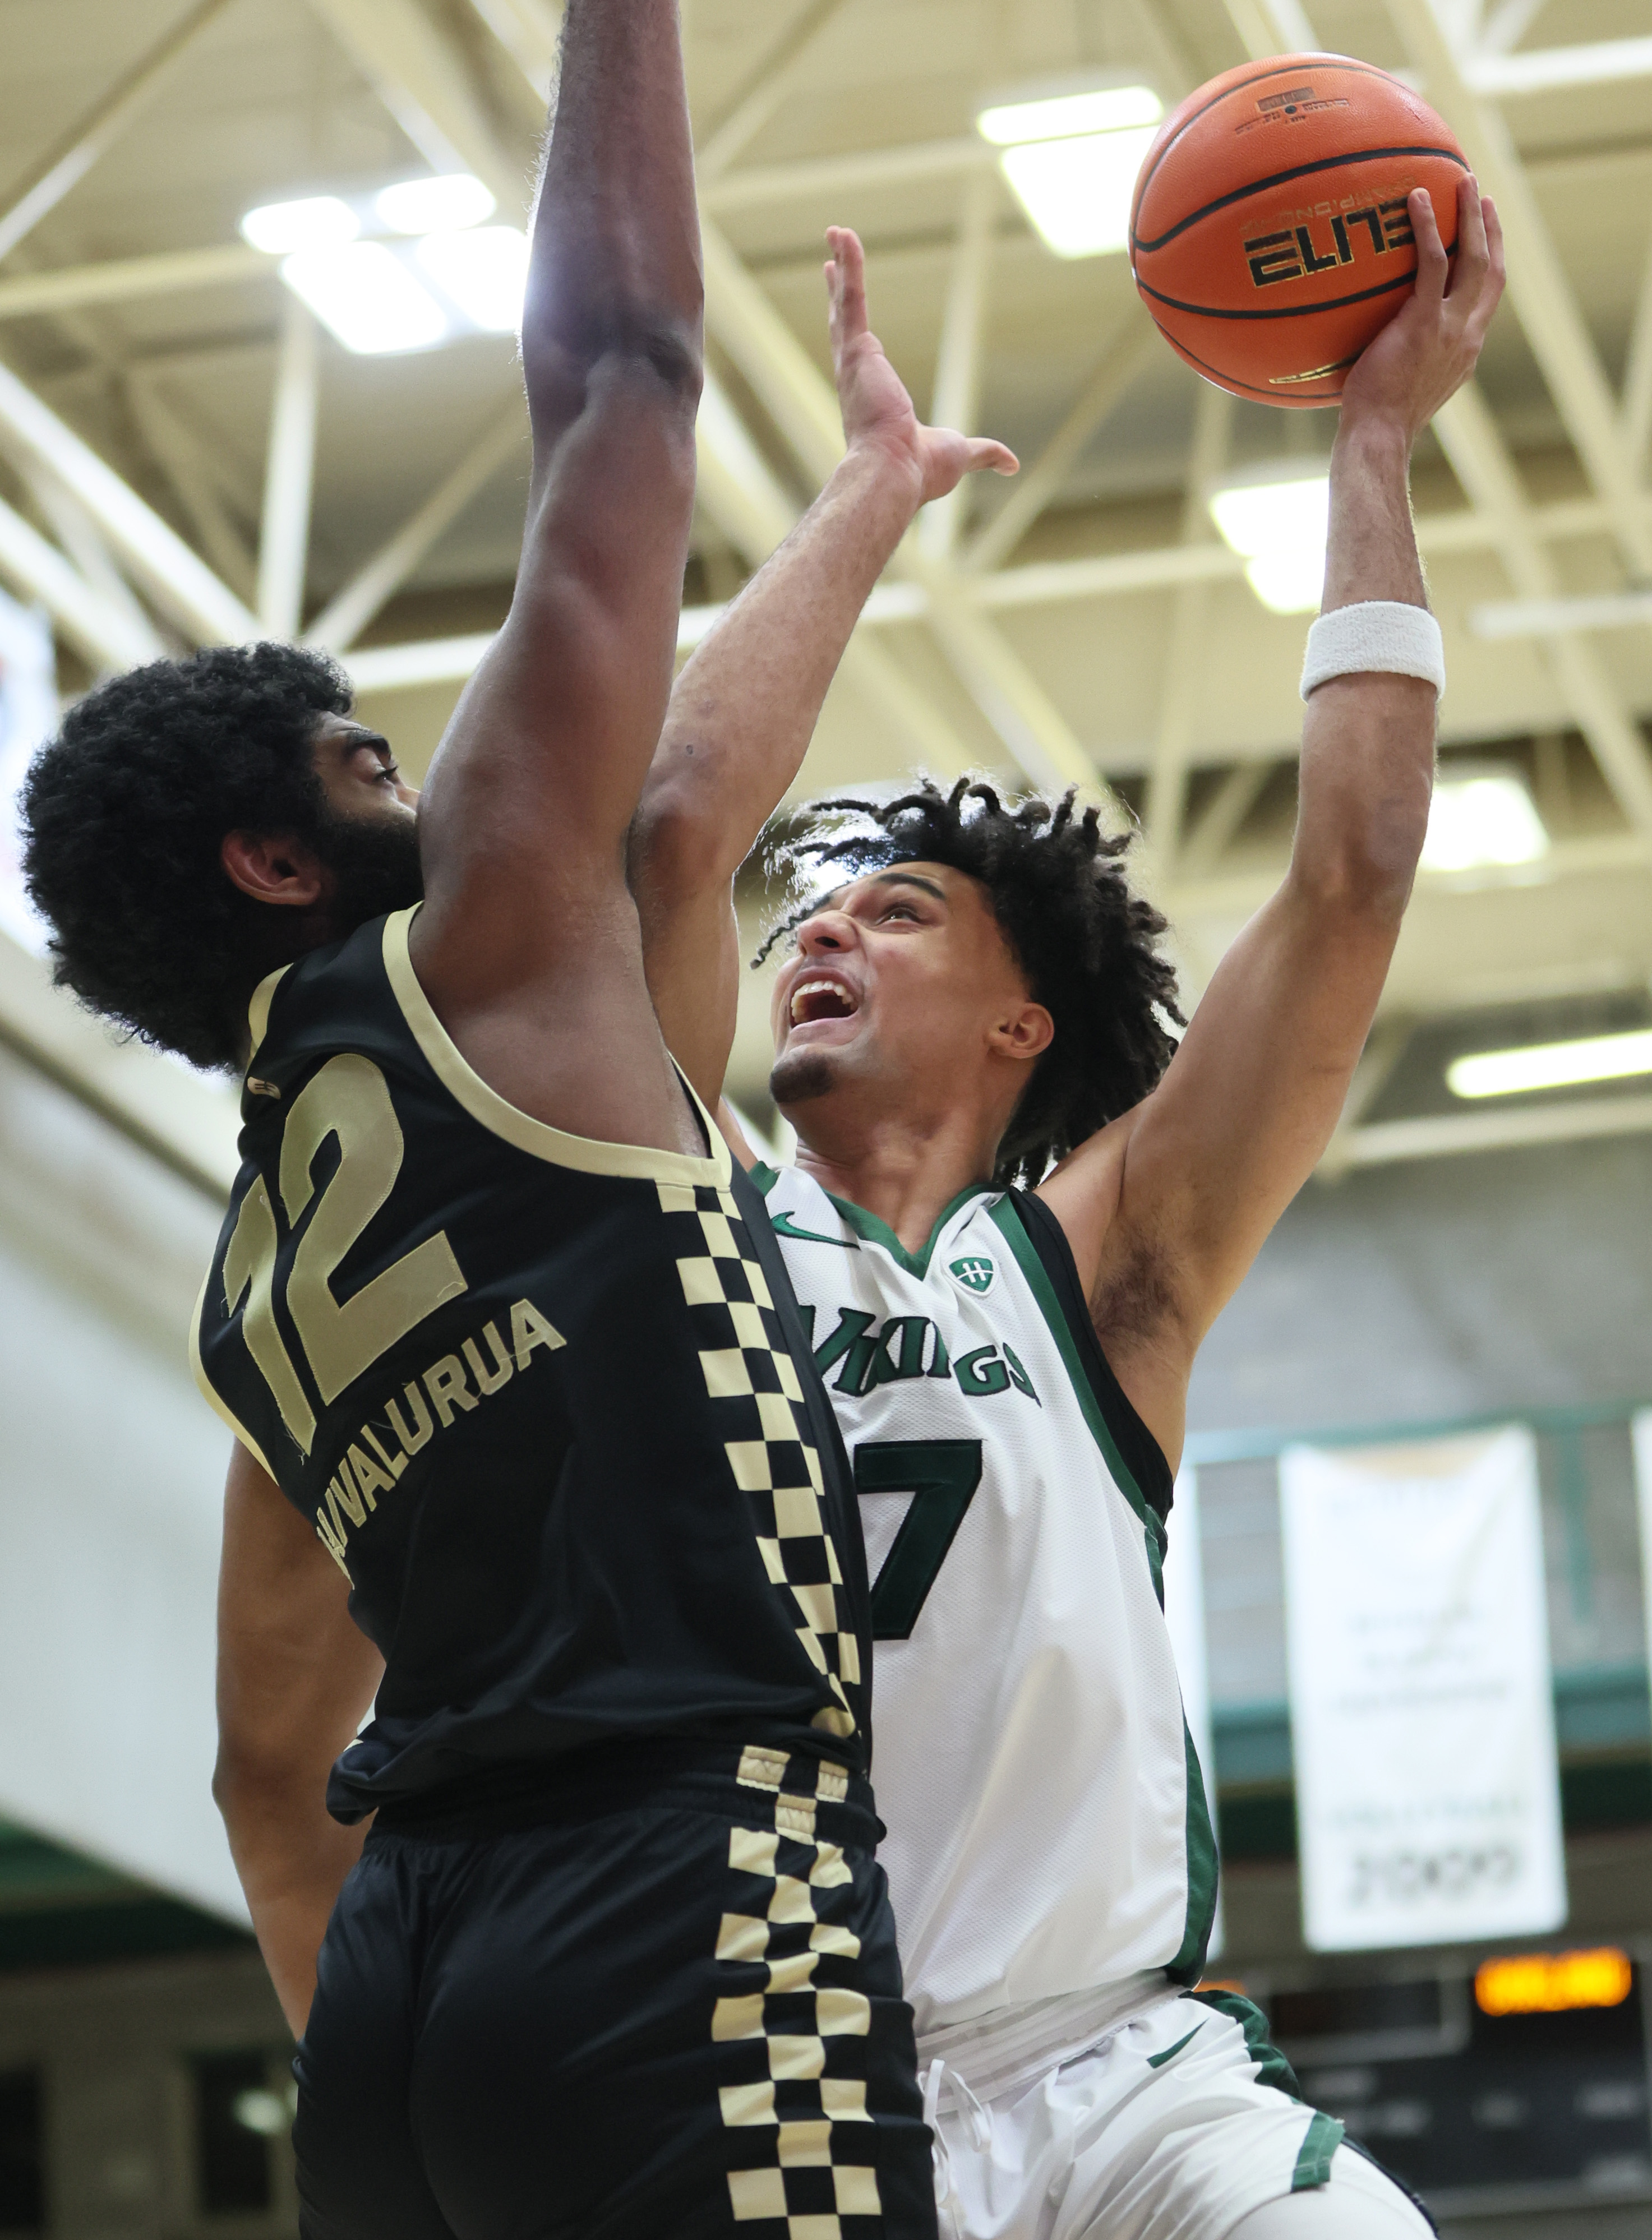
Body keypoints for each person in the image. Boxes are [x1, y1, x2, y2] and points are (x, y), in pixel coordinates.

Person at [14, 7, 1017, 2232]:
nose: (415, 765)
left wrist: (862, 497)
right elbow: (621, 378)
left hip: (406, 2004)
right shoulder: (473, 954)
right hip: (674, 1882)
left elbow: (673, 826)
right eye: (361, 760)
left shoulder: (255, 1270)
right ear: (274, 867)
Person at [628, 187, 1505, 2240]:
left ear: (1027, 1019)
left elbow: (1355, 869)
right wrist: (867, 490)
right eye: (816, 912)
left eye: (897, 909)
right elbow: (673, 842)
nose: (821, 925)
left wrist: (1370, 449)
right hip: (780, 2102)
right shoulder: (673, 1215)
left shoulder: (1097, 1265)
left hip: (1116, 2080)